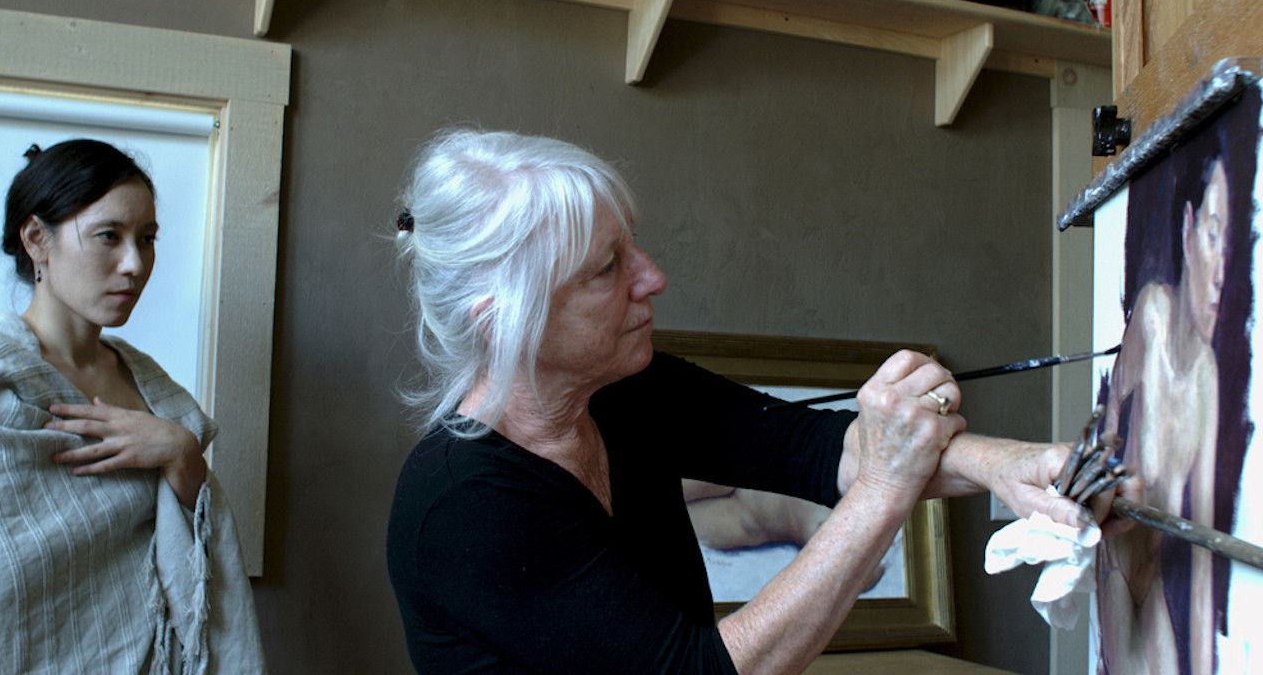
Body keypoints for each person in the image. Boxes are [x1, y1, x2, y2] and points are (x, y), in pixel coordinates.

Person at [386, 129, 1130, 675]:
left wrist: (1017, 466)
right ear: (507, 320)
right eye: (608, 267)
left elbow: (816, 448)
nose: (652, 277)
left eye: (632, 245)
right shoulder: (463, 507)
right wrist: (883, 490)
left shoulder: (625, 391)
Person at [0, 140, 264, 673]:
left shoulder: (150, 385)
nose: (134, 264)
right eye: (108, 236)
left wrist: (182, 454)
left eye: (147, 239)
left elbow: (195, 554)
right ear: (37, 239)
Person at [1097, 88, 1260, 675]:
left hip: (1160, 575)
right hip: (1119, 568)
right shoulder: (1155, 313)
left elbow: (1204, 534)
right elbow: (1107, 423)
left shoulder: (1209, 378)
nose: (1220, 270)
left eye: (1229, 243)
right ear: (1188, 232)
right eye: (1212, 234)